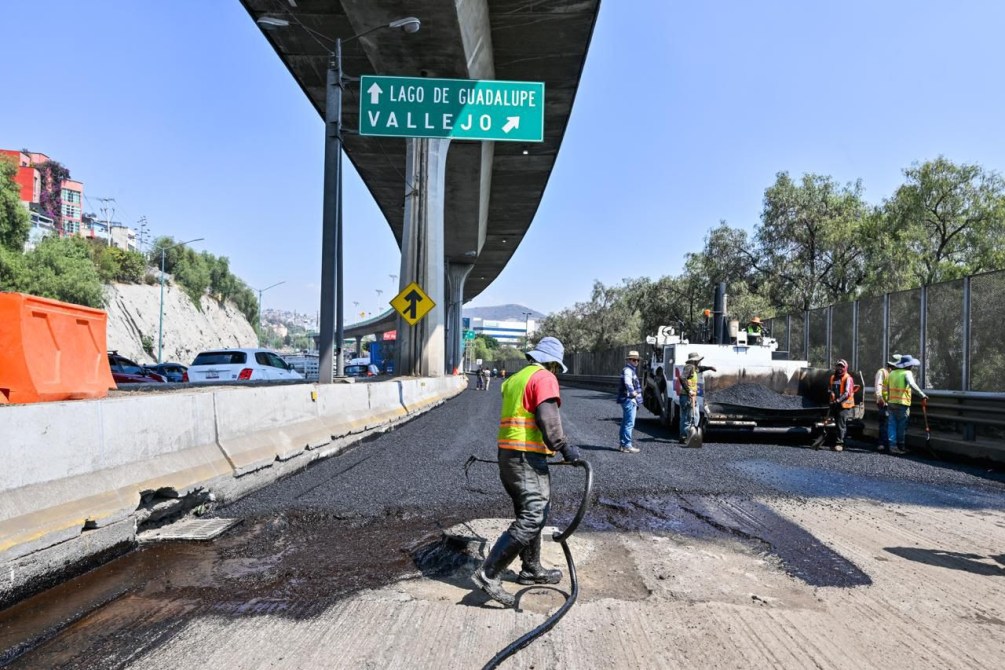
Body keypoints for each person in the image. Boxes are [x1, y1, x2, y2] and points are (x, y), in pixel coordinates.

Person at [471, 337, 583, 608]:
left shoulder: (516, 379)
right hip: (525, 457)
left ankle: (531, 569)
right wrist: (564, 447)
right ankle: (488, 573)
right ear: (553, 363)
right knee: (533, 515)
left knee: (533, 512)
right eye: (557, 366)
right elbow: (547, 417)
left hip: (509, 455)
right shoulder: (544, 377)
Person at [884, 354, 928, 455]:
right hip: (902, 403)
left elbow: (888, 388)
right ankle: (901, 446)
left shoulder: (892, 373)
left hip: (891, 402)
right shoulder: (907, 373)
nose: (912, 367)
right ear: (908, 365)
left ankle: (892, 446)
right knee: (901, 426)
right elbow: (912, 384)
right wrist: (922, 395)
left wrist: (888, 400)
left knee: (892, 425)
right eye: (911, 365)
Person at [678, 352, 716, 445]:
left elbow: (700, 369)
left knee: (690, 416)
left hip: (687, 396)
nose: (699, 362)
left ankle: (684, 436)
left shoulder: (693, 368)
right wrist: (689, 391)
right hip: (687, 396)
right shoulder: (689, 367)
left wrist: (709, 367)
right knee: (690, 417)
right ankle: (687, 437)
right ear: (695, 361)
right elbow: (682, 378)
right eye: (698, 360)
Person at [616, 350, 643, 453]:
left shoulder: (629, 370)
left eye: (637, 360)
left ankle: (623, 445)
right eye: (634, 360)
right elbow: (628, 382)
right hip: (628, 399)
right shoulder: (628, 370)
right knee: (629, 423)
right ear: (629, 360)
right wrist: (633, 392)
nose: (636, 362)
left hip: (626, 399)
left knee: (625, 423)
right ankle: (627, 445)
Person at [874, 354, 901, 453]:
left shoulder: (893, 373)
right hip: (883, 402)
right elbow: (878, 385)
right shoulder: (882, 372)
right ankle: (882, 444)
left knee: (889, 423)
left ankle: (887, 443)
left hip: (892, 402)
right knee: (884, 423)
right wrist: (879, 397)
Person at [828, 359, 855, 451]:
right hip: (836, 404)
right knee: (837, 424)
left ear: (845, 368)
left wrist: (838, 400)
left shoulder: (848, 378)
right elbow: (830, 388)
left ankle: (840, 444)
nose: (840, 368)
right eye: (838, 366)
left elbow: (847, 393)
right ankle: (838, 441)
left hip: (844, 405)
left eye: (842, 366)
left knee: (841, 425)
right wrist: (831, 394)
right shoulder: (833, 377)